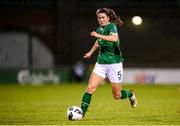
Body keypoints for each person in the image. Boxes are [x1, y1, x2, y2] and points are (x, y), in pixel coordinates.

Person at [80, 8, 137, 117]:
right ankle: (81, 113)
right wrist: (90, 52)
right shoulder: (99, 29)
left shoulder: (111, 26)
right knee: (90, 87)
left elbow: (114, 38)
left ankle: (130, 94)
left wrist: (98, 35)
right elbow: (98, 42)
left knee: (117, 95)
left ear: (108, 18)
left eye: (103, 18)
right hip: (101, 63)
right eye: (99, 18)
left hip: (114, 63)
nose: (101, 20)